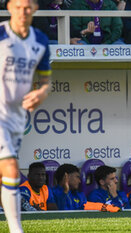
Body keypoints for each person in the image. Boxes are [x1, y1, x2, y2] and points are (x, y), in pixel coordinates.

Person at [0, 0, 52, 230]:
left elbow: (46, 81)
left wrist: (41, 92)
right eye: (18, 6)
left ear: (35, 9)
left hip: (16, 116)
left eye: (28, 6)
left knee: (8, 169)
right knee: (11, 166)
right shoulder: (1, 35)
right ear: (9, 7)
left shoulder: (40, 40)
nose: (23, 11)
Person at [52, 164, 120, 212]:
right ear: (66, 177)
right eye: (77, 177)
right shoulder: (52, 193)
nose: (80, 181)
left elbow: (93, 208)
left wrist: (115, 204)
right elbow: (59, 213)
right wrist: (65, 192)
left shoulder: (80, 195)